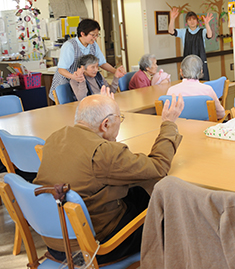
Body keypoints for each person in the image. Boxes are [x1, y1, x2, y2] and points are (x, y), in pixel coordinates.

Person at [34, 91, 184, 265]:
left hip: (56, 240)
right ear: (105, 124)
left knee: (137, 190)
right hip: (94, 248)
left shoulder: (55, 138)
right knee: (163, 206)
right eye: (118, 120)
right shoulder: (103, 153)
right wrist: (168, 124)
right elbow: (158, 167)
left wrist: (108, 112)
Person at [50, 18, 123, 101]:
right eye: (93, 35)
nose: (95, 38)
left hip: (82, 82)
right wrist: (73, 77)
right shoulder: (70, 46)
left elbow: (102, 63)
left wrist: (115, 71)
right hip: (66, 82)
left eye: (97, 35)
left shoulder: (93, 45)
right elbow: (61, 69)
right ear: (82, 34)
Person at [166, 54, 225, 120]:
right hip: (203, 129)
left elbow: (168, 115)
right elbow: (220, 114)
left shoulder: (171, 91)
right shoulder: (207, 90)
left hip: (179, 129)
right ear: (201, 72)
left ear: (181, 72)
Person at [168, 7, 213, 81]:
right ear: (187, 22)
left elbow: (209, 35)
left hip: (200, 63)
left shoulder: (202, 31)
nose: (192, 21)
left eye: (194, 19)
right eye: (189, 19)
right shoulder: (183, 32)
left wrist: (207, 24)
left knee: (202, 84)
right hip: (187, 63)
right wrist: (172, 19)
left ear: (197, 21)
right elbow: (171, 31)